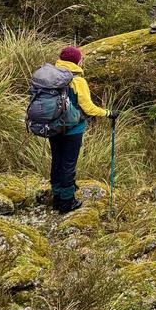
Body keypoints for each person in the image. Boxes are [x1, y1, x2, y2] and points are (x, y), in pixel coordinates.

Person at [50, 46, 119, 213]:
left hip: (52, 127)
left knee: (57, 160)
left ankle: (57, 197)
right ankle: (67, 202)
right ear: (77, 61)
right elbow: (88, 108)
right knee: (68, 163)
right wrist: (109, 113)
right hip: (73, 129)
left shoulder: (51, 76)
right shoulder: (77, 80)